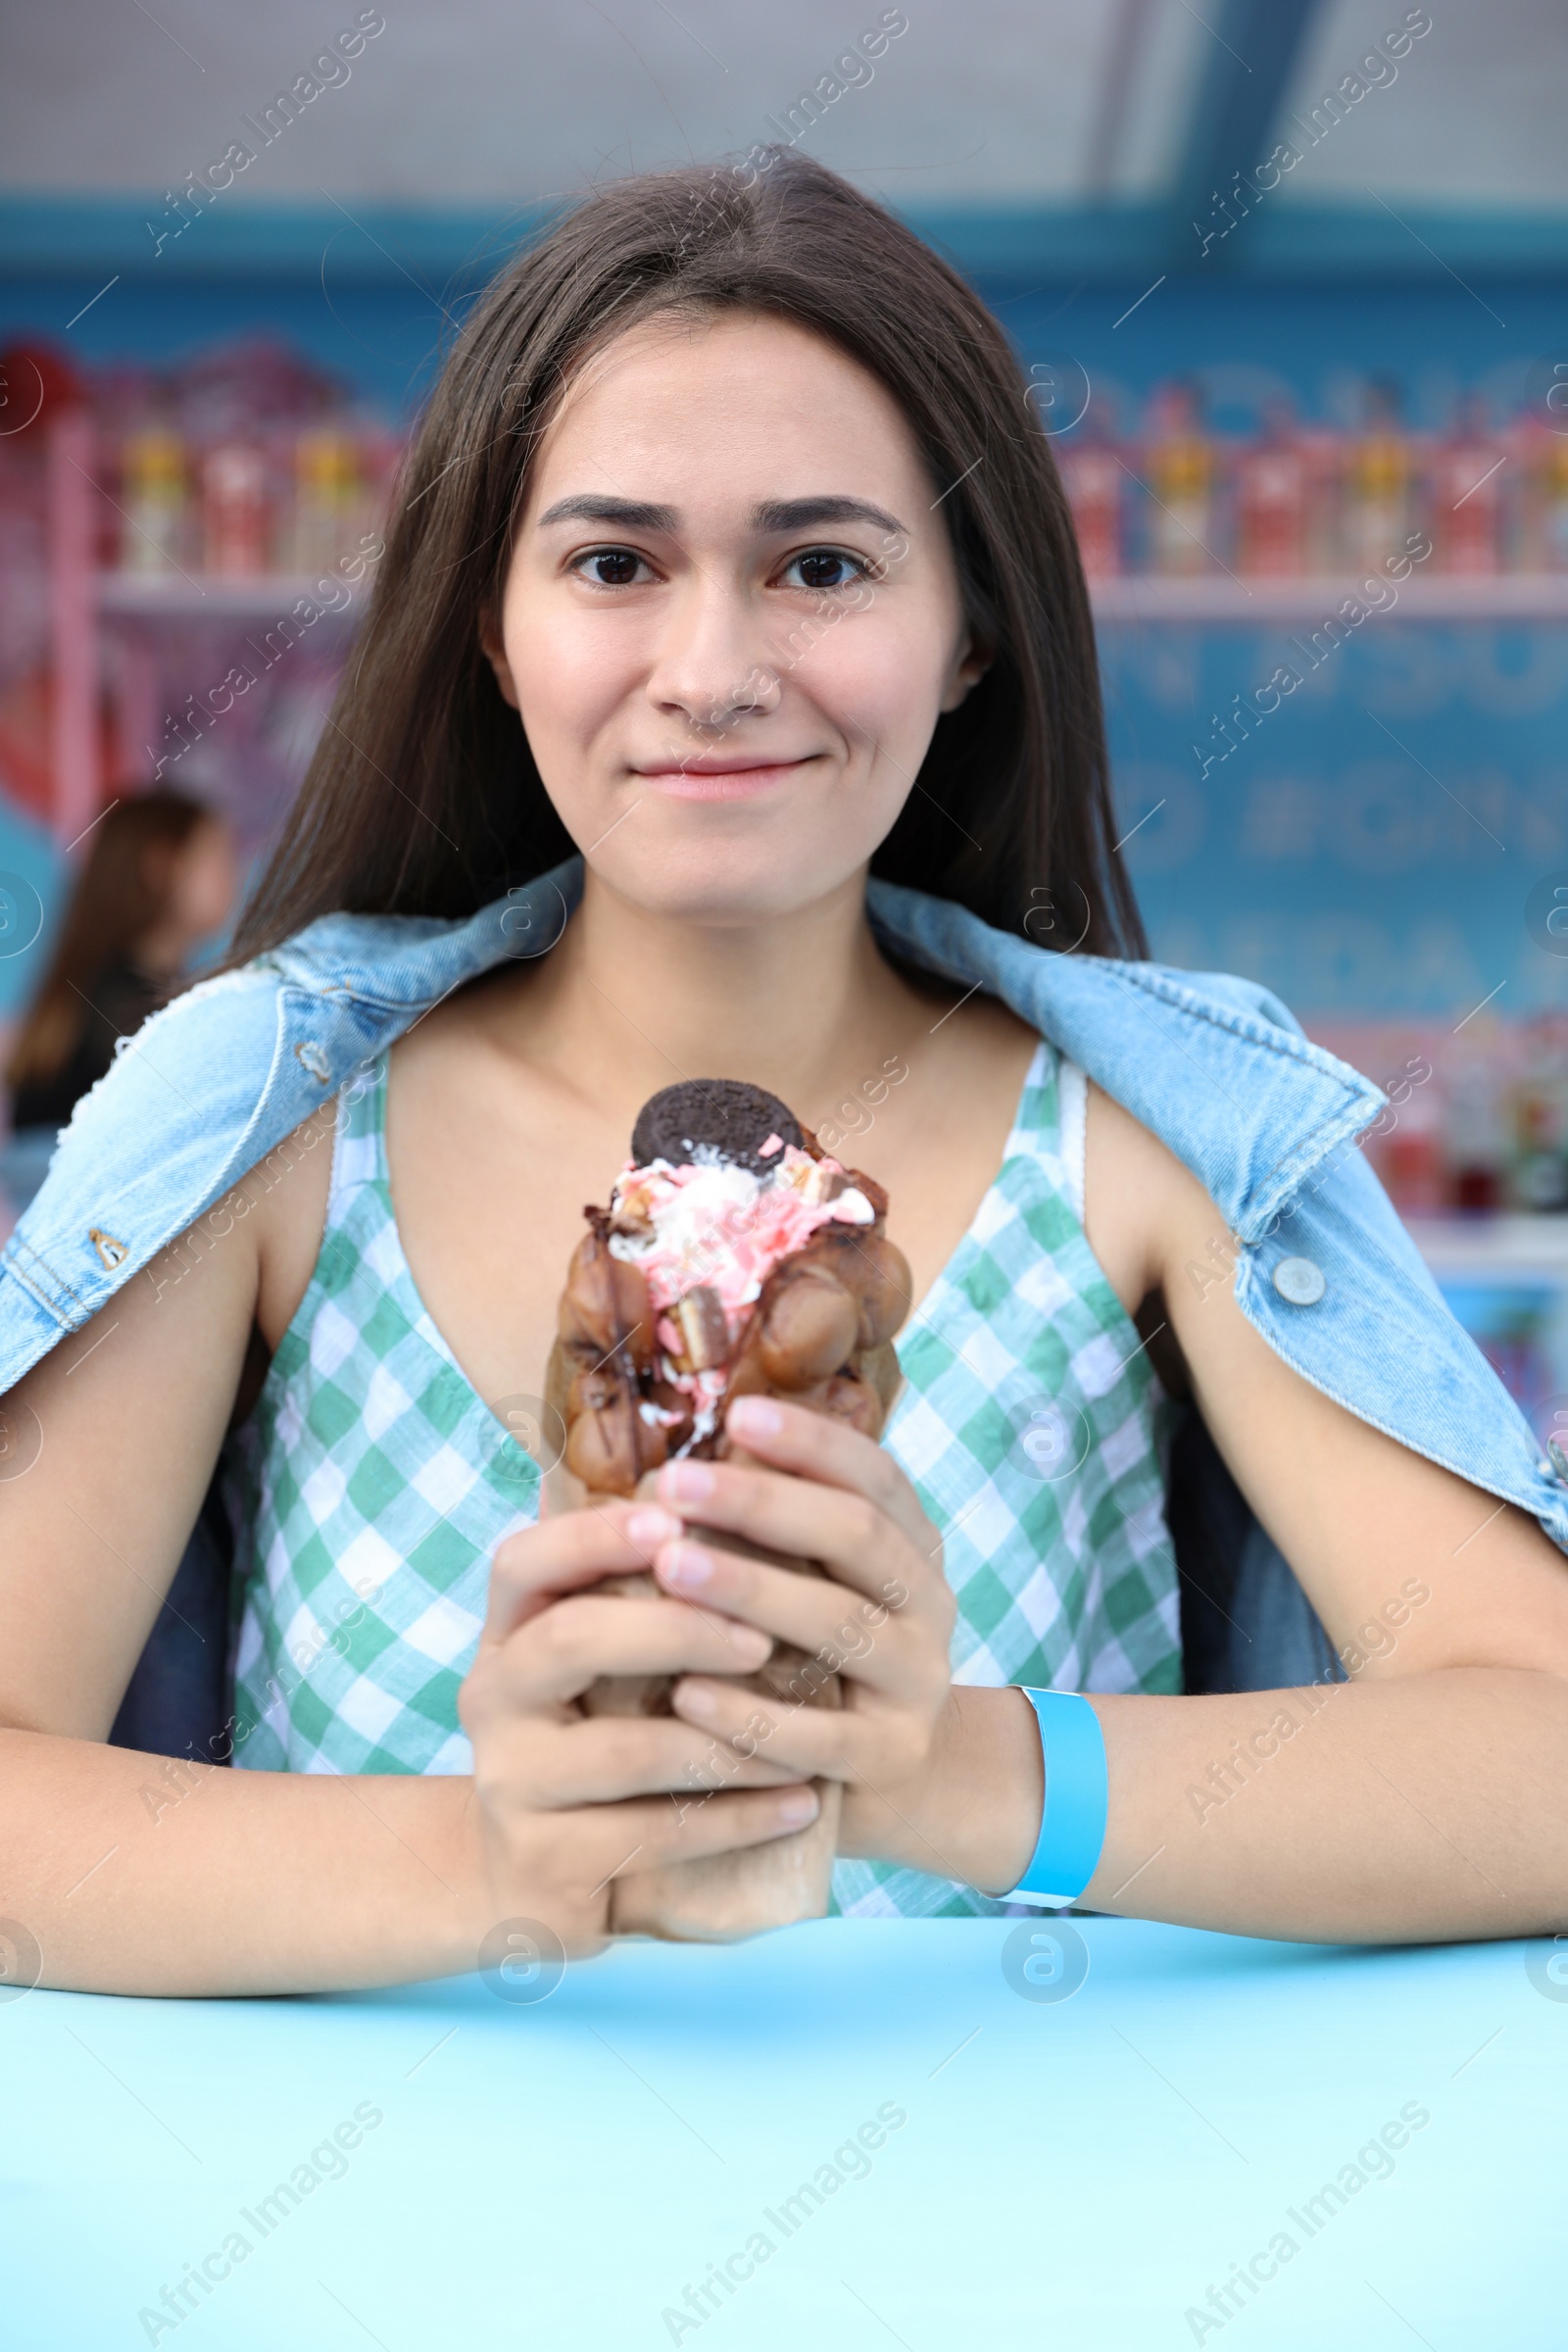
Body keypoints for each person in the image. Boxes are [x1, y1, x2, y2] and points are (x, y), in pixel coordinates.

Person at [1, 155, 1565, 1998]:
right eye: (613, 563)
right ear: (492, 629)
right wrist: (501, 1857)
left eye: (822, 565)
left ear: (970, 629)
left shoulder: (1159, 1141)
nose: (715, 668)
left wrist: (956, 1769)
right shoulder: (268, 1130)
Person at [1, 790, 237, 1211]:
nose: (233, 875)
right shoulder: (129, 1004)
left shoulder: (100, 988)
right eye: (218, 856)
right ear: (163, 867)